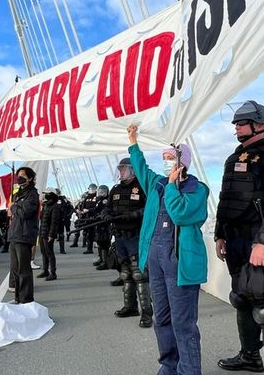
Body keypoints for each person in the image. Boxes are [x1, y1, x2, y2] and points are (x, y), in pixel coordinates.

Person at [214, 101, 264, 375]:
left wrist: (263, 242)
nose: (236, 127)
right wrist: (219, 234)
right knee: (242, 298)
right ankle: (250, 357)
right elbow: (226, 201)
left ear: (259, 125)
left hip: (258, 242)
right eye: (236, 123)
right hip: (234, 241)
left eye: (241, 122)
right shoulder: (232, 158)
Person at [126, 125, 209, 375]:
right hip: (156, 260)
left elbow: (181, 213)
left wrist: (172, 186)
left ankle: (189, 370)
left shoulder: (198, 189)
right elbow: (140, 167)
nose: (165, 163)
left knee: (183, 323)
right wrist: (132, 141)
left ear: (183, 162)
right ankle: (169, 365)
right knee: (161, 317)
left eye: (170, 158)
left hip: (179, 262)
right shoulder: (157, 184)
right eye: (163, 158)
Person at [102, 157, 151, 327]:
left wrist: (134, 215)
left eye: (124, 168)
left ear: (132, 170)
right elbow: (107, 208)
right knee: (125, 273)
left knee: (140, 274)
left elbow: (149, 208)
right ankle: (130, 307)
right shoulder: (115, 189)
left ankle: (147, 313)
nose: (121, 171)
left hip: (136, 236)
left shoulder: (142, 187)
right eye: (120, 168)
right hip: (121, 237)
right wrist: (106, 216)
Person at [8, 167, 40, 304]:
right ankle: (17, 297)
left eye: (23, 176)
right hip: (15, 234)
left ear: (30, 178)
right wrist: (13, 207)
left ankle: (26, 299)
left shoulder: (32, 194)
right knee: (15, 269)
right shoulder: (18, 194)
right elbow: (14, 214)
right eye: (18, 175)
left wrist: (13, 207)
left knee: (24, 270)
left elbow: (26, 213)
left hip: (24, 235)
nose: (19, 178)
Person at [37, 187, 61, 281]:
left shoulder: (55, 207)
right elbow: (42, 219)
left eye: (47, 194)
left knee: (49, 253)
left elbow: (54, 223)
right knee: (43, 253)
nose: (45, 195)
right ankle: (45, 270)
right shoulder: (46, 205)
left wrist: (51, 234)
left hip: (48, 234)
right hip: (42, 232)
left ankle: (53, 273)